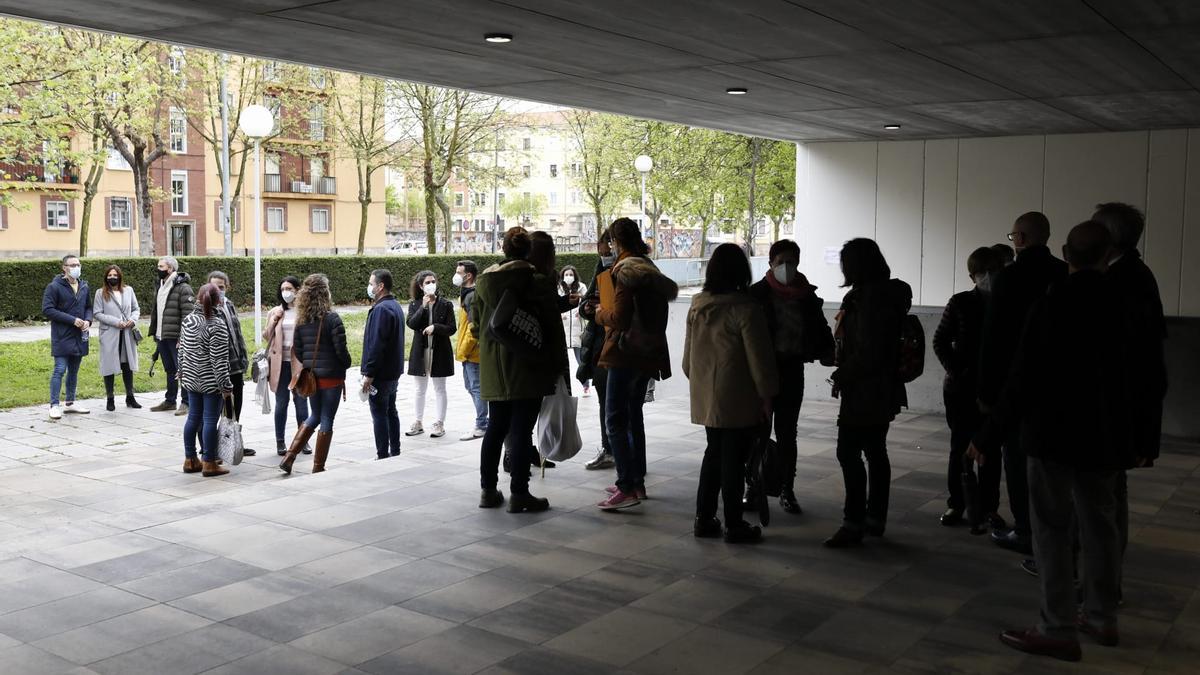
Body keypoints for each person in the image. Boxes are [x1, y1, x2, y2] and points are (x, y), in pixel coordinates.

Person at [970, 221, 1156, 662]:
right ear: (1107, 255)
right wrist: (1144, 436)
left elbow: (1022, 377)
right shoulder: (1127, 306)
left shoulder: (1052, 304)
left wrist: (989, 432)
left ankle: (1056, 626)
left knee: (1052, 531)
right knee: (1100, 527)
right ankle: (1101, 615)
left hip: (1052, 435)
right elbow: (1149, 377)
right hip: (1107, 437)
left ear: (1069, 254)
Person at [977, 211, 1068, 554]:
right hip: (1057, 385)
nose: (1012, 241)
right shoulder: (1063, 273)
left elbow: (994, 339)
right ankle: (1054, 526)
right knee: (1052, 462)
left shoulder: (1010, 278)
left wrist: (987, 393)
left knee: (1015, 459)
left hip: (1013, 383)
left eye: (1014, 236)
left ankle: (1026, 529)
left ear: (1023, 239)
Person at [1092, 202, 1168, 588]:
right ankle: (1103, 583)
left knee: (1102, 504)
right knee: (1108, 498)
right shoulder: (1135, 275)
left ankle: (1102, 587)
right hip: (1122, 412)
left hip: (1113, 413)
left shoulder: (1121, 283)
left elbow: (1137, 365)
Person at [684, 244, 780, 543]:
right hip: (738, 397)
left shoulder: (698, 306)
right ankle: (735, 524)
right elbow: (760, 361)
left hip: (709, 398)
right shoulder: (746, 309)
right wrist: (767, 396)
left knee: (713, 454)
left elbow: (688, 362)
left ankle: (704, 518)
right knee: (734, 460)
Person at [824, 238, 912, 548]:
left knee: (848, 452)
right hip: (884, 388)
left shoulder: (867, 300)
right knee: (876, 451)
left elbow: (867, 350)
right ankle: (875, 518)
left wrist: (842, 373)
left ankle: (853, 522)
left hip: (864, 389)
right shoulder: (890, 295)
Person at [473, 226, 566, 513]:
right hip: (527, 365)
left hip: (493, 367)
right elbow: (550, 324)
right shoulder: (535, 281)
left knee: (495, 429)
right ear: (528, 252)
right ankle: (520, 493)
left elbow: (477, 326)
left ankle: (488, 491)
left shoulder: (483, 283)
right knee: (522, 430)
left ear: (504, 249)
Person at [594, 218, 679, 511]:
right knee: (634, 416)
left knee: (615, 420)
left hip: (624, 351)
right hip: (647, 352)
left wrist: (597, 313)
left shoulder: (625, 272)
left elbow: (619, 318)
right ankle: (636, 480)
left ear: (616, 242)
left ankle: (626, 486)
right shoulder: (650, 270)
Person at [745, 239, 834, 515]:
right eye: (781, 261)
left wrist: (827, 352)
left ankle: (786, 488)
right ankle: (754, 486)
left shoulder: (806, 296)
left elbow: (819, 329)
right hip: (761, 371)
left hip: (792, 368)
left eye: (792, 261)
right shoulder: (757, 294)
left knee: (787, 433)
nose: (787, 267)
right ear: (771, 263)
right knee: (757, 431)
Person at [932, 247, 1002, 532]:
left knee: (991, 451)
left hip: (995, 389)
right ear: (972, 275)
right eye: (981, 272)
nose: (986, 278)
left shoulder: (1008, 303)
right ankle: (957, 503)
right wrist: (956, 371)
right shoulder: (960, 302)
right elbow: (940, 340)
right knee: (959, 447)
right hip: (960, 389)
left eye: (992, 271)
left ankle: (989, 508)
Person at [279, 274, 352, 475]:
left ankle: (290, 456)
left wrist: (311, 363)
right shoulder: (332, 319)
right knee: (327, 418)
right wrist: (347, 363)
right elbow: (341, 351)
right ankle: (318, 466)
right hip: (332, 378)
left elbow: (299, 351)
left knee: (315, 415)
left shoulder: (302, 320)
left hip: (312, 378)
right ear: (325, 294)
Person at [178, 283, 234, 477]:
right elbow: (219, 360)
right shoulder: (216, 324)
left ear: (198, 298)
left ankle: (190, 459)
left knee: (193, 418)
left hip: (191, 378)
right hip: (211, 381)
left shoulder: (188, 320)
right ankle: (209, 462)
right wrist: (226, 386)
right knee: (210, 420)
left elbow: (182, 351)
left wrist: (182, 373)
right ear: (218, 300)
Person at [207, 271, 255, 456]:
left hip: (236, 366)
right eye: (214, 287)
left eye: (221, 287)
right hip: (219, 369)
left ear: (227, 287)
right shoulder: (208, 309)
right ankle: (214, 449)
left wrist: (243, 357)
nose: (218, 291)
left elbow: (237, 335)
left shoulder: (230, 305)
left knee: (236, 409)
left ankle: (233, 445)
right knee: (219, 410)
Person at [578, 231, 615, 470]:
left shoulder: (632, 269)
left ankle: (624, 461)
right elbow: (586, 303)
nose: (601, 250)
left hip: (618, 346)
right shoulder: (601, 267)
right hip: (601, 345)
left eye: (604, 245)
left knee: (621, 404)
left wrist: (598, 310)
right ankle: (610, 449)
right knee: (606, 400)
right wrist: (588, 308)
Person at [405, 270, 456, 439]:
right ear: (420, 286)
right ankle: (418, 422)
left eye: (433, 281)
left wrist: (436, 327)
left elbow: (451, 328)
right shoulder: (415, 304)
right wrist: (423, 306)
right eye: (427, 282)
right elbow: (412, 324)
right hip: (421, 352)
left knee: (440, 388)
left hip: (439, 352)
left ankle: (439, 423)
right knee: (420, 389)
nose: (431, 284)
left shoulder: (446, 304)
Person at [263, 276, 311, 456]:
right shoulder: (275, 311)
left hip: (299, 364)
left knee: (301, 403)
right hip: (280, 364)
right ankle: (280, 441)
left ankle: (303, 440)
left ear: (297, 290)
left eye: (289, 288)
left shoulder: (304, 312)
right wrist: (274, 320)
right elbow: (267, 336)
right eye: (283, 289)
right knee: (281, 403)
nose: (286, 292)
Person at [361, 268, 406, 459]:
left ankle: (382, 454)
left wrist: (369, 374)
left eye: (371, 284)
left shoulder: (381, 309)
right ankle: (395, 450)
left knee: (379, 414)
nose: (369, 287)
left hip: (381, 373)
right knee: (391, 411)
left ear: (380, 286)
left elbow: (377, 345)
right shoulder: (394, 305)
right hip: (392, 371)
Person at [43, 254, 92, 420]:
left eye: (78, 264)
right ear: (64, 267)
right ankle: (54, 405)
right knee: (59, 369)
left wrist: (88, 320)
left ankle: (70, 403)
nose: (76, 267)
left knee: (74, 371)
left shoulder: (84, 285)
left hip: (80, 336)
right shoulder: (54, 286)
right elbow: (47, 310)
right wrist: (72, 320)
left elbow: (88, 307)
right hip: (62, 336)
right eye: (72, 265)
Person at [149, 256, 196, 415]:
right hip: (162, 335)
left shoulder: (183, 288)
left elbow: (188, 315)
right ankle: (170, 401)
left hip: (176, 337)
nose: (158, 269)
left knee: (182, 369)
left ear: (170, 268)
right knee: (170, 369)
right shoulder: (160, 285)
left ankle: (187, 402)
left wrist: (183, 338)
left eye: (161, 266)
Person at [93, 265, 142, 412]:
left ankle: (130, 397)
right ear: (106, 277)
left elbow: (136, 309)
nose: (112, 277)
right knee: (109, 366)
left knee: (127, 365)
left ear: (120, 276)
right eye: (109, 275)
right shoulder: (100, 293)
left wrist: (133, 320)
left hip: (126, 333)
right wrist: (116, 322)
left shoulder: (129, 290)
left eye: (115, 275)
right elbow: (97, 313)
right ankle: (110, 398)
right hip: (110, 333)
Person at [454, 260, 488, 441]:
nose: (456, 275)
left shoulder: (471, 296)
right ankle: (484, 421)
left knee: (476, 388)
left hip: (472, 353)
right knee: (472, 387)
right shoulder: (465, 294)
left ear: (468, 276)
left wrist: (465, 350)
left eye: (459, 272)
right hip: (468, 352)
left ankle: (482, 424)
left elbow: (474, 328)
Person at [558, 265, 590, 396]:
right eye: (566, 274)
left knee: (580, 360)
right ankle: (564, 389)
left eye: (571, 274)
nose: (569, 277)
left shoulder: (581, 287)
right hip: (563, 329)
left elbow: (585, 302)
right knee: (562, 361)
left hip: (577, 330)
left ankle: (586, 385)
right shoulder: (558, 288)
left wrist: (580, 312)